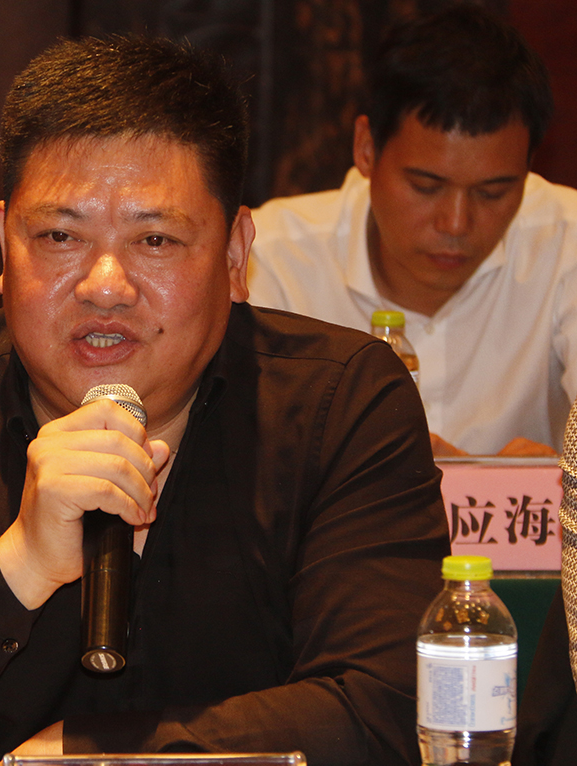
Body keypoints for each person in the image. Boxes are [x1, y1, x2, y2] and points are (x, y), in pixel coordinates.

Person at [0, 34, 449, 766]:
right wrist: (16, 567)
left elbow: (396, 716)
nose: (105, 285)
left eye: (155, 239)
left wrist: (85, 762)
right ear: (4, 242)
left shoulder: (343, 405)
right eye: (60, 236)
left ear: (235, 252)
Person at [247, 5, 577, 458]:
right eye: (426, 187)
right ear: (366, 148)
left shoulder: (566, 240)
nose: (456, 224)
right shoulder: (271, 260)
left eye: (493, 192)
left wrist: (547, 483)